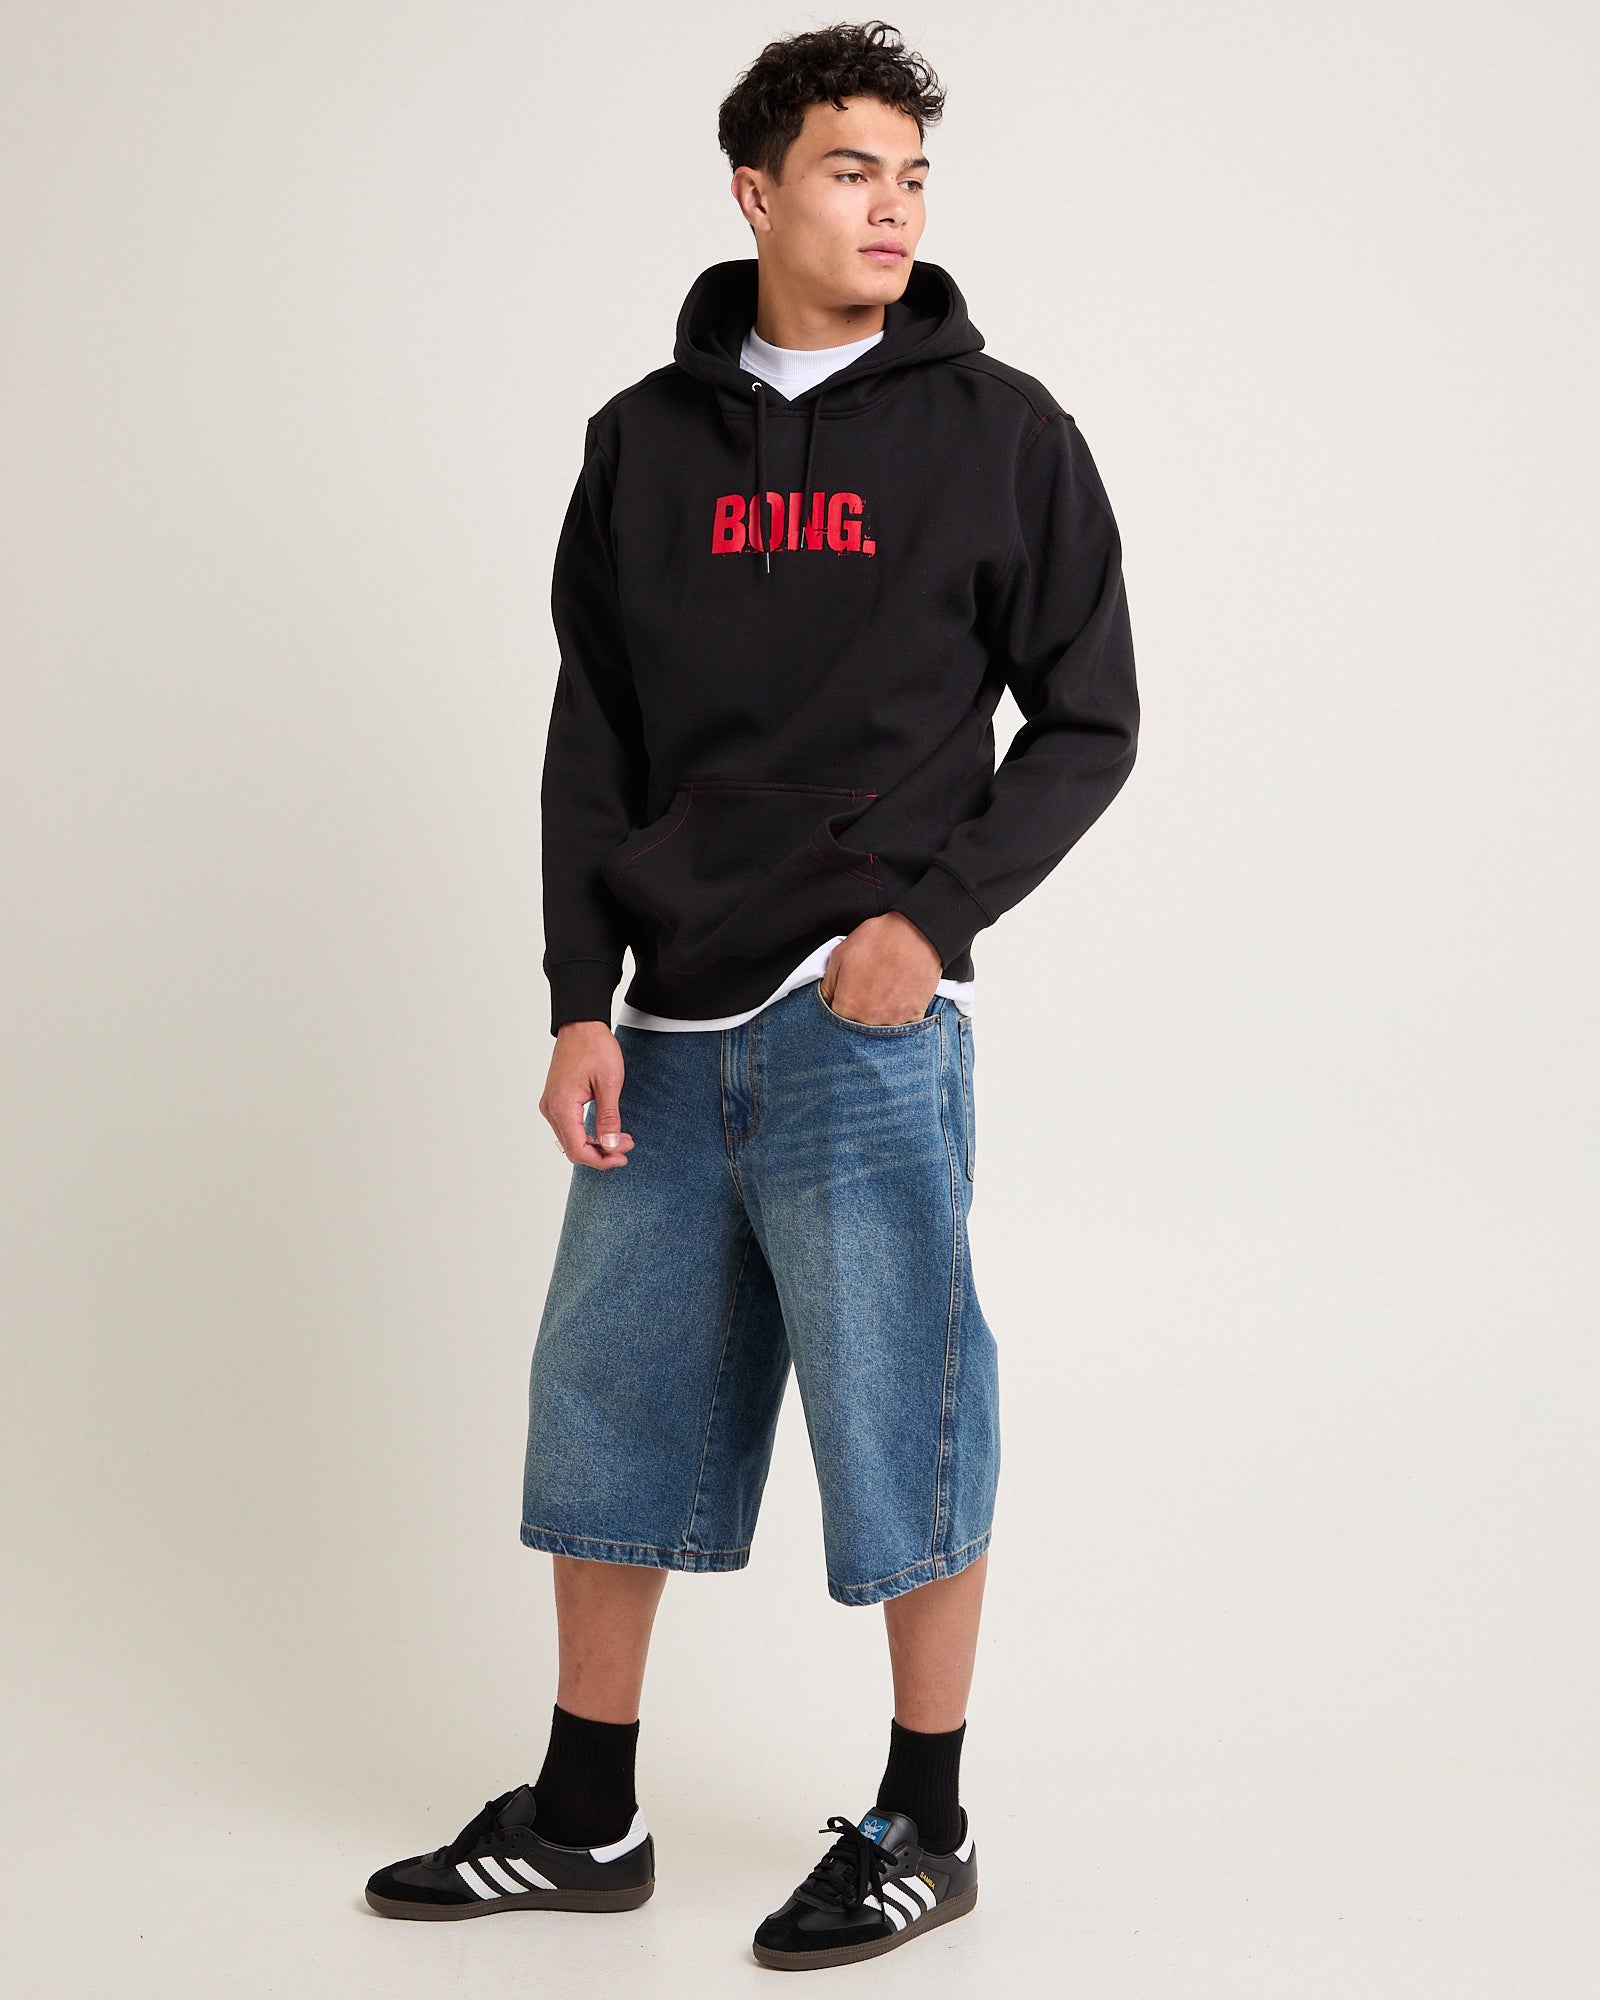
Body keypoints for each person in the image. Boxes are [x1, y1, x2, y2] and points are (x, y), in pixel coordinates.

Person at [365, 18, 1139, 1971]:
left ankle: (924, 1820)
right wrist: (577, 995)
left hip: (855, 1021)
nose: (891, 207)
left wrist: (929, 919)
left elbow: (1087, 718)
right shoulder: (641, 443)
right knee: (604, 1417)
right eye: (849, 170)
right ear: (755, 191)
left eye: (912, 176)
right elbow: (594, 739)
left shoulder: (1001, 433)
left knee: (905, 1419)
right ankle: (585, 1815)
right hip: (664, 1021)